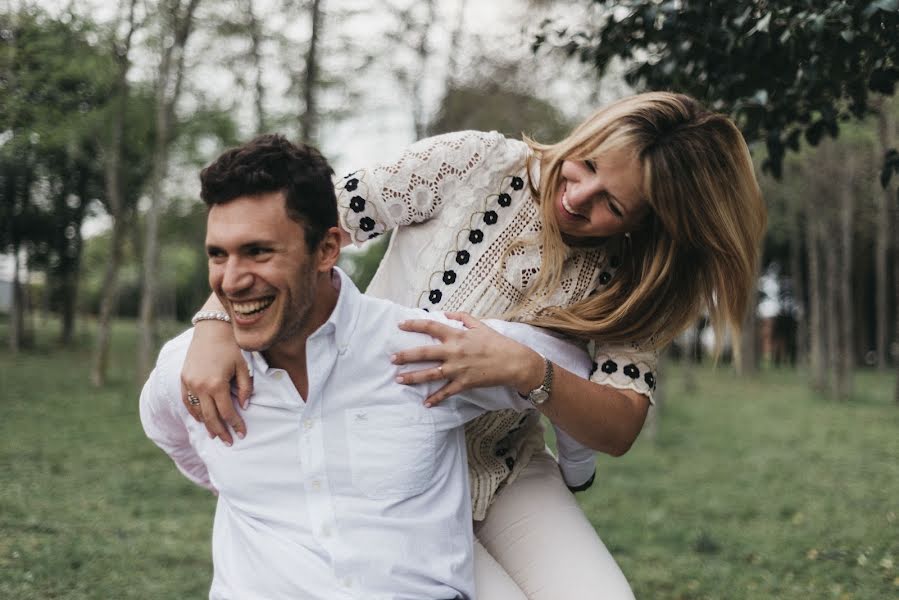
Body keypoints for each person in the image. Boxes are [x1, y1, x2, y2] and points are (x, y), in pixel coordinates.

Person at [182, 92, 767, 598]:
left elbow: (618, 428)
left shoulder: (637, 279)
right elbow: (292, 232)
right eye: (585, 163)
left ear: (652, 222)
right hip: (385, 469)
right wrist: (214, 320)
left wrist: (528, 370)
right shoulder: (473, 162)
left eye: (610, 204)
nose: (577, 196)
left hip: (502, 468)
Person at [140, 134, 599, 599]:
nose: (231, 282)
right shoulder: (188, 370)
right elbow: (170, 433)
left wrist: (575, 464)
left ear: (327, 249)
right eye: (218, 254)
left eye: (259, 252)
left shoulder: (424, 347)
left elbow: (573, 373)